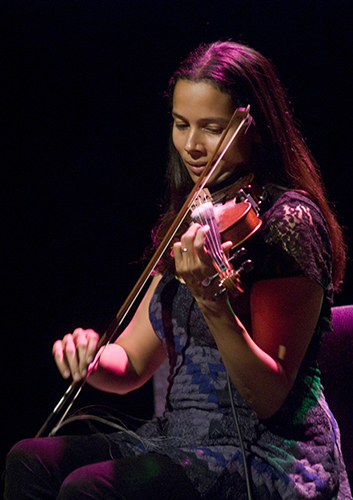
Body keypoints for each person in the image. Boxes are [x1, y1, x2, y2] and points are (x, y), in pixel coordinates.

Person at [4, 40, 352, 500]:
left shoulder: (287, 223)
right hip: (178, 438)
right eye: (180, 124)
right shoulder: (190, 215)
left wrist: (213, 301)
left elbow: (270, 397)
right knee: (28, 458)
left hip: (267, 452)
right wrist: (90, 358)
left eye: (211, 128)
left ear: (256, 128)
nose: (191, 145)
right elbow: (130, 363)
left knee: (91, 489)